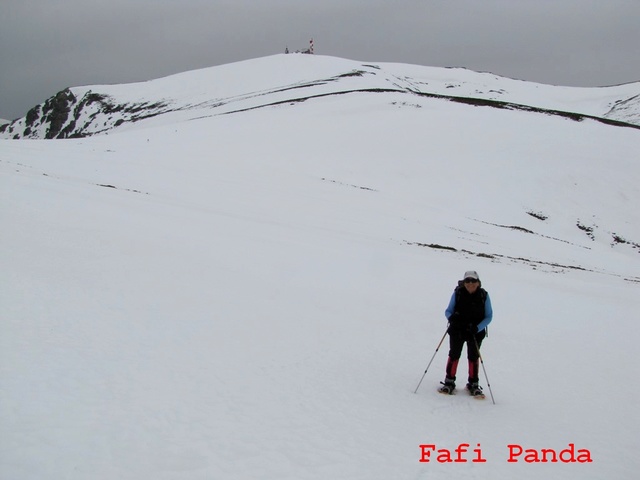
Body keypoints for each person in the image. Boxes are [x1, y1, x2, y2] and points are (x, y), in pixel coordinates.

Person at [438, 270, 493, 396]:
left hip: (475, 332)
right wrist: (452, 319)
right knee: (454, 354)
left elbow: (489, 316)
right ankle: (449, 381)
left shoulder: (484, 295)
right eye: (467, 281)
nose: (470, 283)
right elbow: (448, 311)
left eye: (473, 281)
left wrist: (477, 328)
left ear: (478, 283)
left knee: (473, 356)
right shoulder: (458, 293)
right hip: (457, 329)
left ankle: (473, 383)